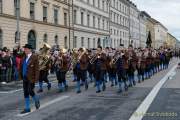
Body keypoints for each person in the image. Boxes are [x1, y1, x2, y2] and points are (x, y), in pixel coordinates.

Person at [19, 44, 40, 114]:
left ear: (29, 49)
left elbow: (37, 69)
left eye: (26, 49)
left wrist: (36, 78)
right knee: (25, 92)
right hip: (25, 77)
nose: (25, 50)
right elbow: (21, 67)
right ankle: (27, 108)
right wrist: (20, 75)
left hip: (31, 78)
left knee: (30, 90)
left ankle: (36, 99)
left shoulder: (34, 57)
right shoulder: (23, 57)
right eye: (24, 49)